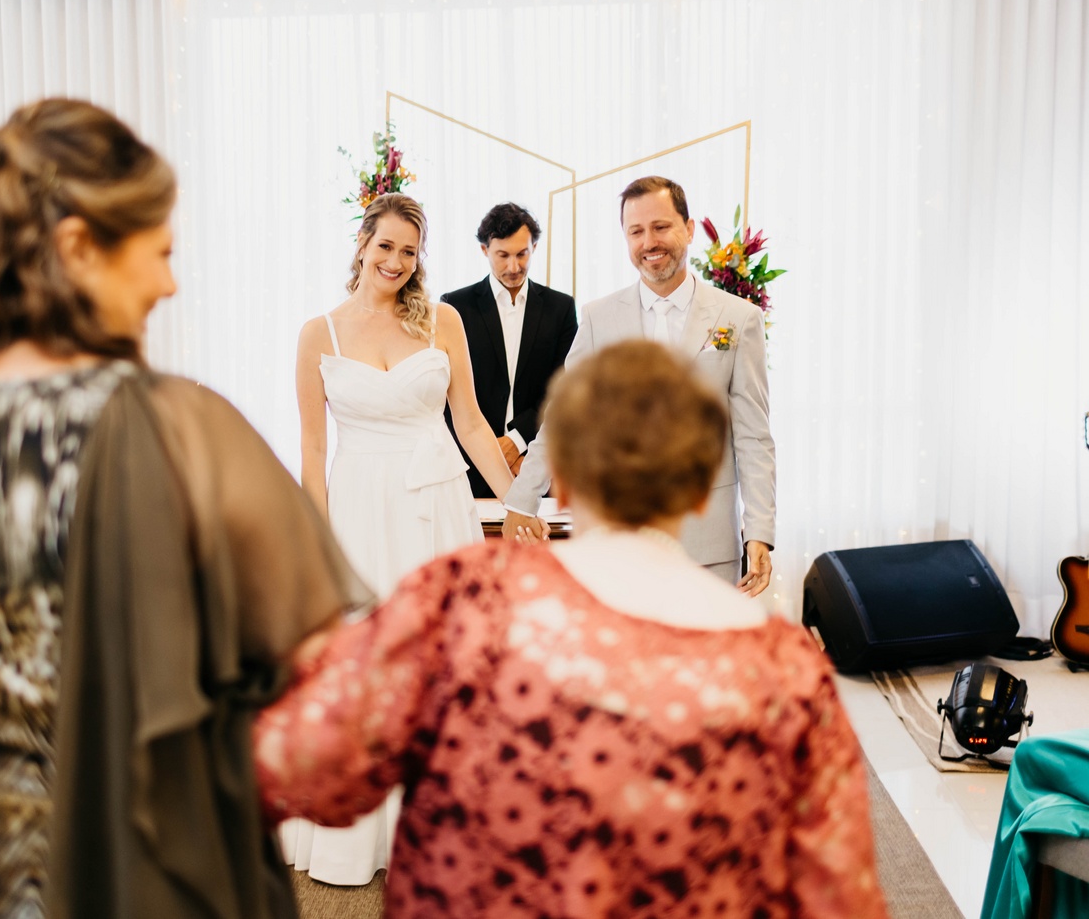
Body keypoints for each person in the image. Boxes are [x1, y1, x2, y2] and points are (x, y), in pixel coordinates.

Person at [0, 98, 368, 919]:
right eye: (158, 253)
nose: (168, 282)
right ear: (79, 248)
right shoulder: (172, 430)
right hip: (104, 872)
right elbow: (326, 754)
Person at [257, 340, 887, 918]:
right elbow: (839, 898)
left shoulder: (463, 602)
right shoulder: (787, 669)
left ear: (561, 476)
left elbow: (306, 764)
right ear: (702, 491)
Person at [288, 192, 517, 884]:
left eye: (409, 251)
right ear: (362, 244)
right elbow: (312, 448)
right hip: (359, 508)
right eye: (385, 246)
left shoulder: (442, 319)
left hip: (436, 505)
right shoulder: (319, 334)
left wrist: (518, 504)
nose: (395, 261)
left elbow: (471, 423)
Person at [504, 176, 777, 595]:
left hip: (709, 546)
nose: (649, 242)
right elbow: (562, 419)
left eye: (661, 226)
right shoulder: (598, 318)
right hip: (618, 544)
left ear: (689, 229)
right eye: (636, 231)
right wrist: (522, 501)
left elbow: (753, 435)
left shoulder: (739, 318)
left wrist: (758, 531)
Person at [442, 202, 577, 496]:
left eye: (522, 254)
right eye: (503, 255)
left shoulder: (561, 308)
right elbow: (446, 395)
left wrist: (517, 442)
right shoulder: (454, 306)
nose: (514, 267)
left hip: (537, 464)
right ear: (484, 250)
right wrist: (490, 452)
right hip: (467, 471)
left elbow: (563, 389)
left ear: (534, 247)